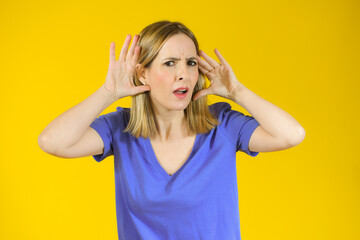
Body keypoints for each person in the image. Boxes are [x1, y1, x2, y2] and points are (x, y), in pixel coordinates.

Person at [38, 20, 305, 240]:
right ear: (143, 74)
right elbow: (52, 142)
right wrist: (107, 92)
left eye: (190, 63)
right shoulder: (121, 129)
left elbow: (291, 135)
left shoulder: (222, 125)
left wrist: (238, 91)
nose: (184, 74)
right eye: (170, 63)